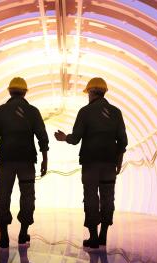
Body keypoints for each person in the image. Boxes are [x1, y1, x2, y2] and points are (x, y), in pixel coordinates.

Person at [54, 78, 128, 249]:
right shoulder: (116, 112)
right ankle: (103, 236)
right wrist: (118, 160)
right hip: (109, 163)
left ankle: (93, 237)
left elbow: (76, 138)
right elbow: (123, 141)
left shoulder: (85, 112)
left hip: (90, 164)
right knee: (108, 198)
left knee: (91, 198)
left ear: (92, 92)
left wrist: (65, 138)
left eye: (88, 93)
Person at [0, 77, 49, 248]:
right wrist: (45, 159)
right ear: (25, 92)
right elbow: (42, 136)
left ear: (9, 91)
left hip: (5, 160)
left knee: (2, 196)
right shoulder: (32, 111)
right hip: (27, 161)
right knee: (27, 195)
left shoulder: (0, 111)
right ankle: (23, 233)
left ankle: (3, 236)